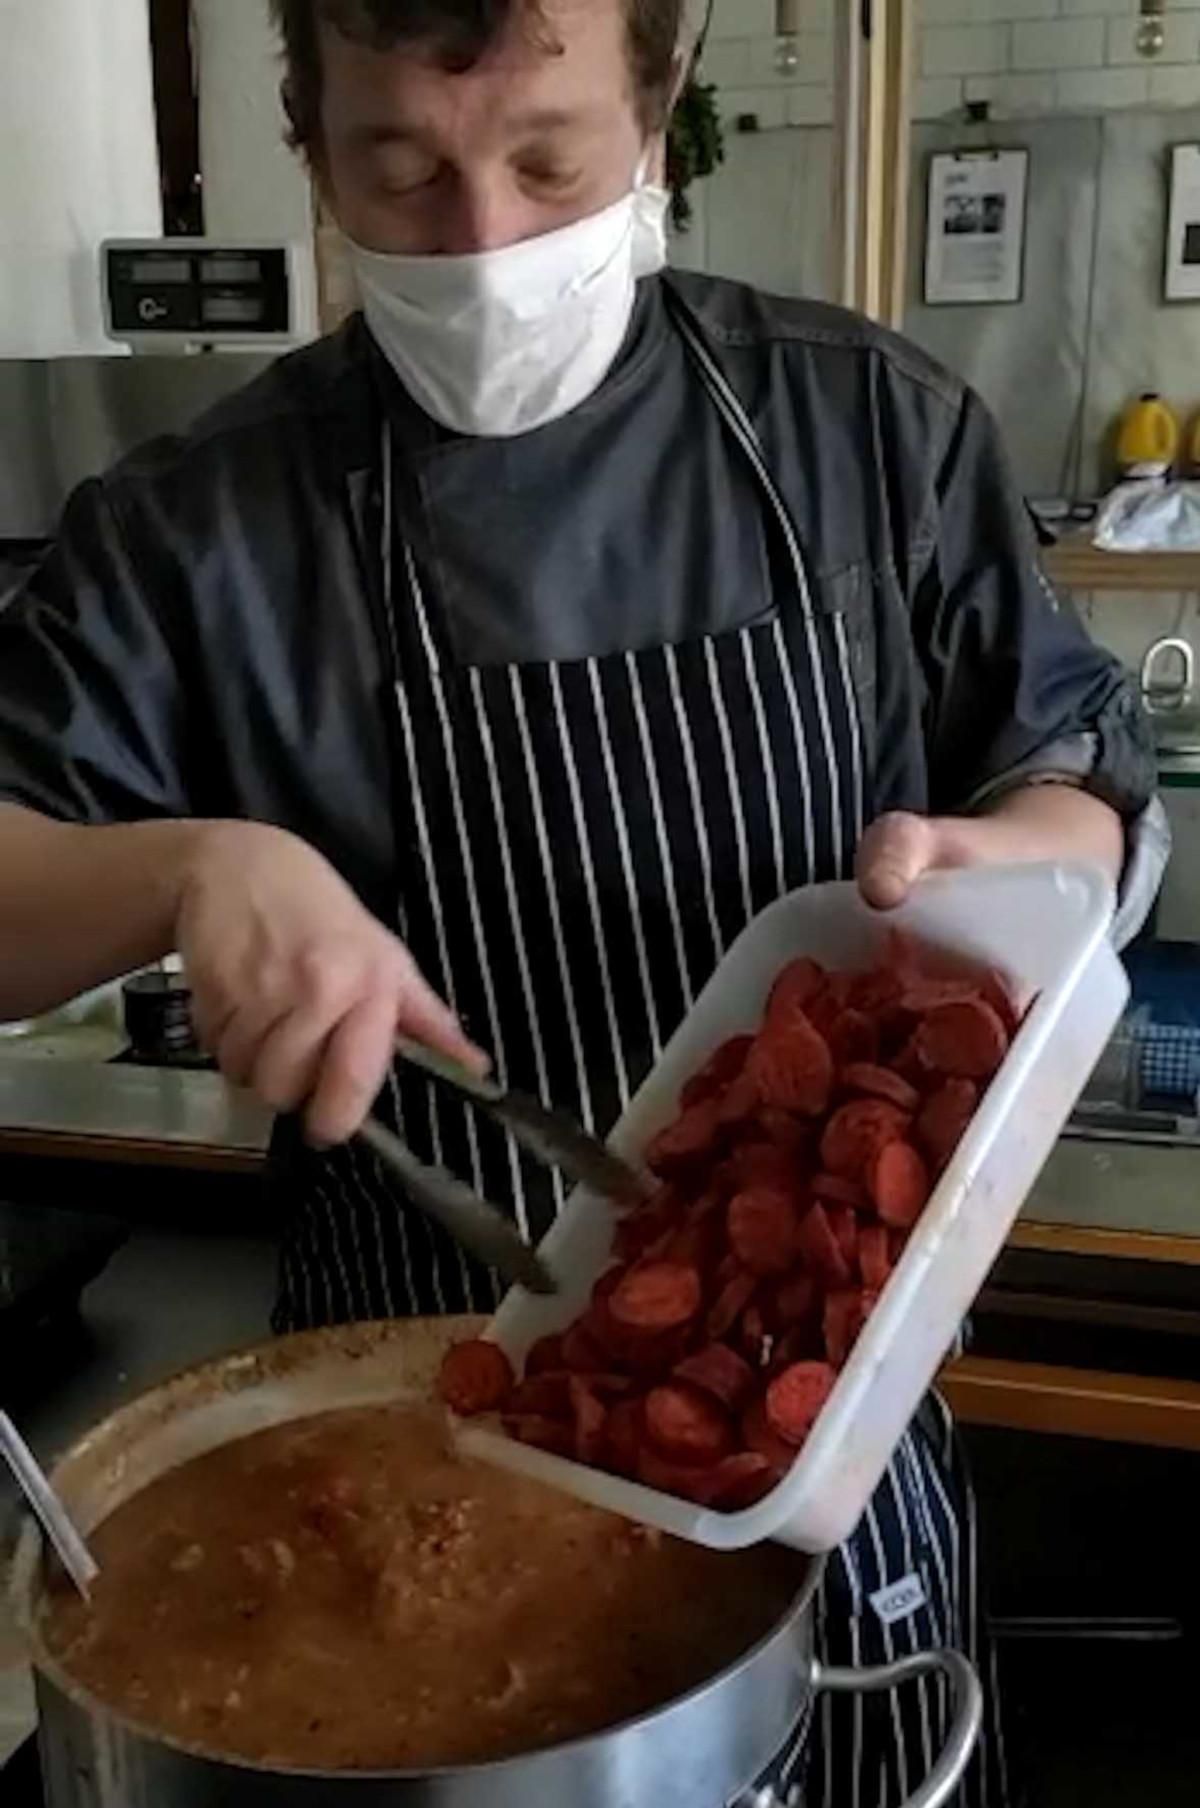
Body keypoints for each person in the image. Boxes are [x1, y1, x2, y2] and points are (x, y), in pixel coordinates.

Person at [0, 0, 1165, 1800]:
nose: (484, 241)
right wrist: (181, 864)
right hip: (401, 1467)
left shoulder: (868, 427)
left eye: (548, 157)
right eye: (401, 166)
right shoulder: (195, 530)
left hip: (826, 1454)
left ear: (662, 101)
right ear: (306, 134)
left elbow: (1077, 772)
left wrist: (1028, 866)